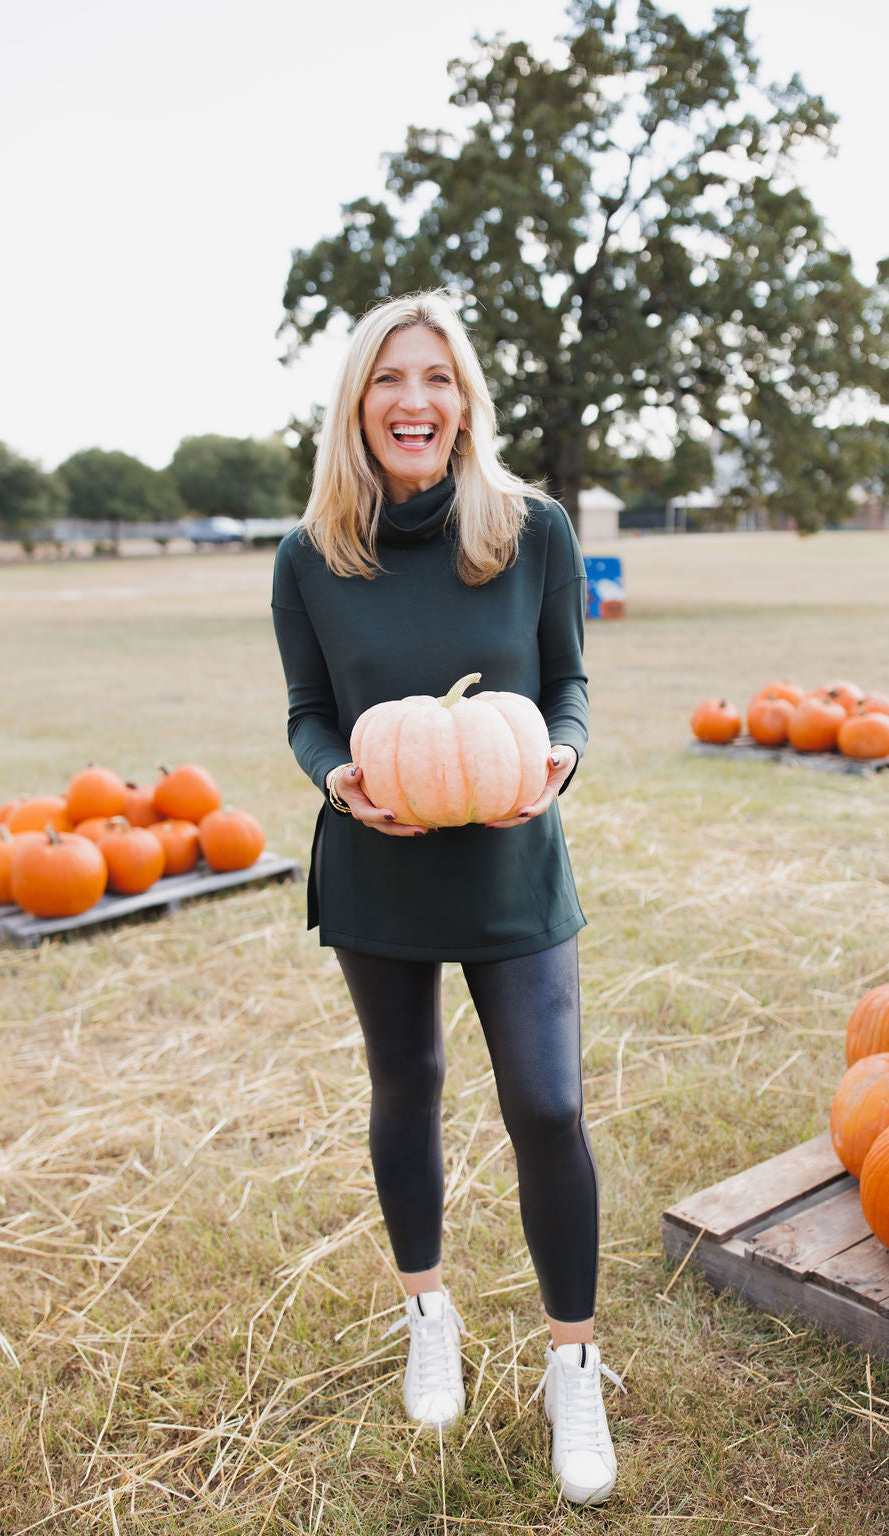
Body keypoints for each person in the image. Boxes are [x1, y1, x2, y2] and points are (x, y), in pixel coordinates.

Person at [270, 290, 623, 1506]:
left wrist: (560, 758)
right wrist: (337, 779)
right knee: (404, 1084)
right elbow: (310, 712)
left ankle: (571, 1358)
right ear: (357, 407)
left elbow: (568, 685)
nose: (412, 399)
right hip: (375, 860)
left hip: (511, 863)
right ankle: (430, 1311)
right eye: (386, 380)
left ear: (464, 398)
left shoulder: (531, 530)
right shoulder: (310, 556)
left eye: (434, 378)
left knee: (546, 1102)